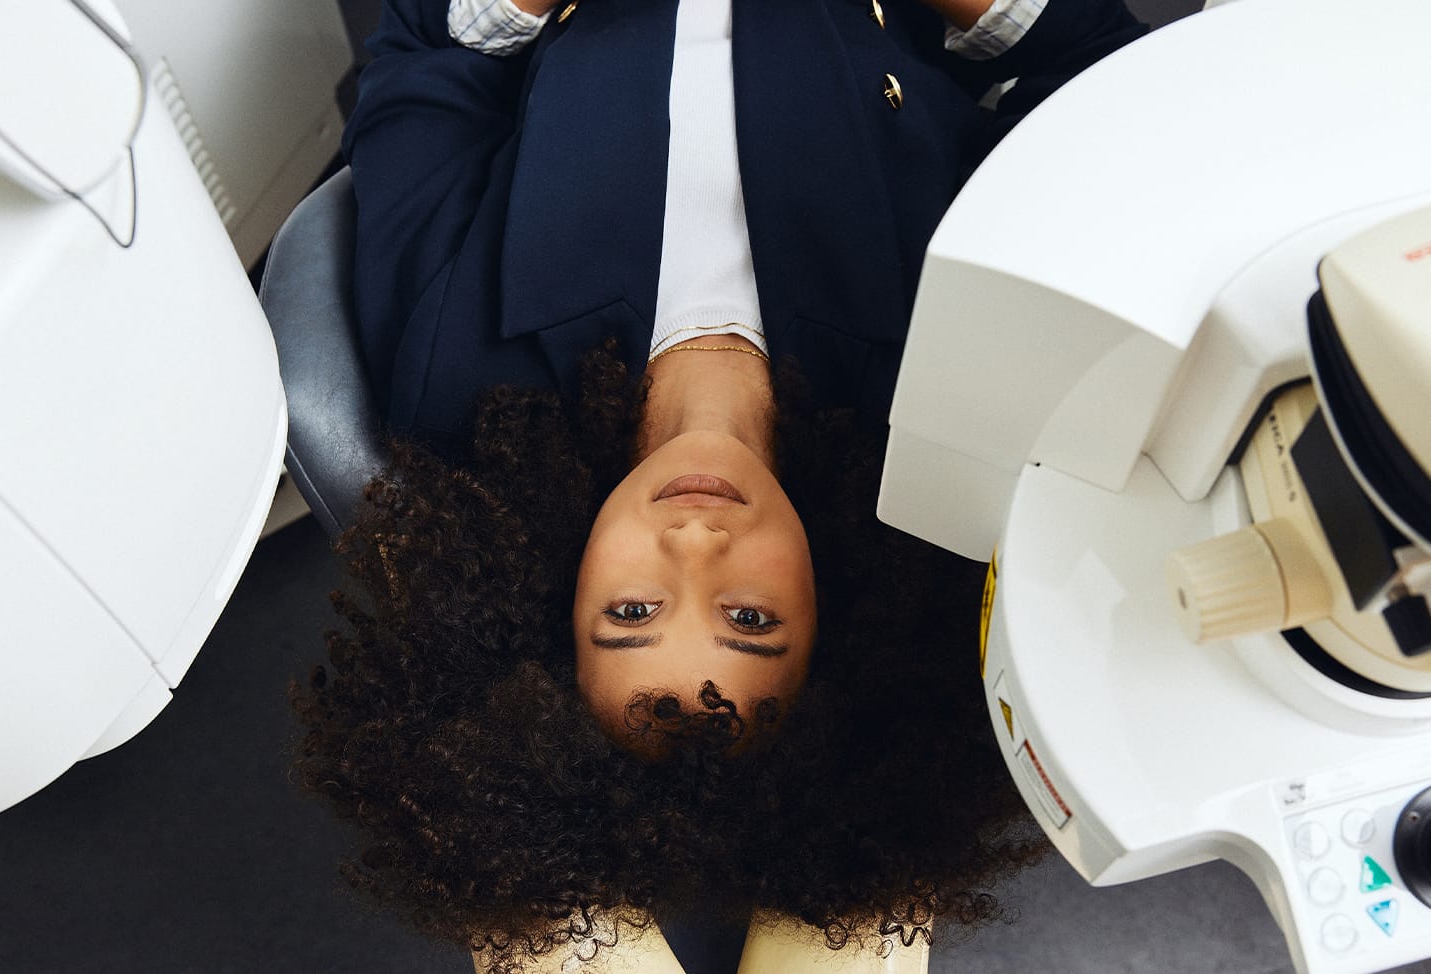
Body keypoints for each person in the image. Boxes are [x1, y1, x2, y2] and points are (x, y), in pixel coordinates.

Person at [291, 0, 1147, 971]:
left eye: (630, 608)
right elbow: (1117, 107)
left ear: (562, 598)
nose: (695, 545)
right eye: (750, 619)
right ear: (831, 613)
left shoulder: (468, 387)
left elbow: (418, 67)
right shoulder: (943, 386)